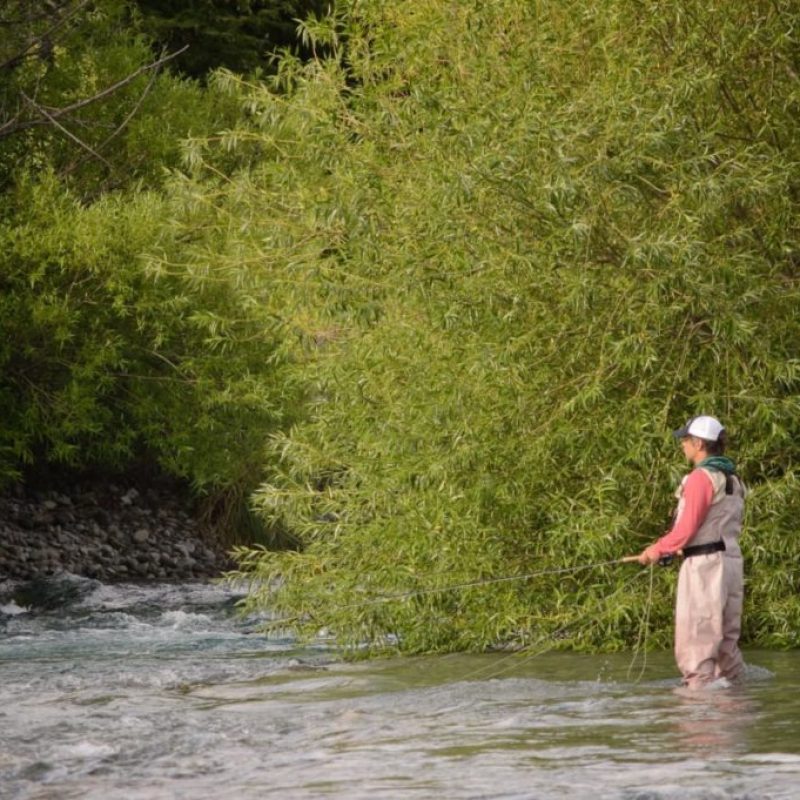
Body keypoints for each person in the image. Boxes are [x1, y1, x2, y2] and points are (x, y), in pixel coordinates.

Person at [637, 415, 746, 689]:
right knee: (726, 650)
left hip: (705, 568)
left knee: (697, 644)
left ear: (699, 443)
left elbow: (685, 529)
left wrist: (657, 549)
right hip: (731, 564)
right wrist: (675, 549)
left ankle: (698, 723)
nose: (683, 445)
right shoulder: (733, 479)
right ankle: (732, 715)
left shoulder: (700, 478)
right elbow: (712, 526)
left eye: (686, 440)